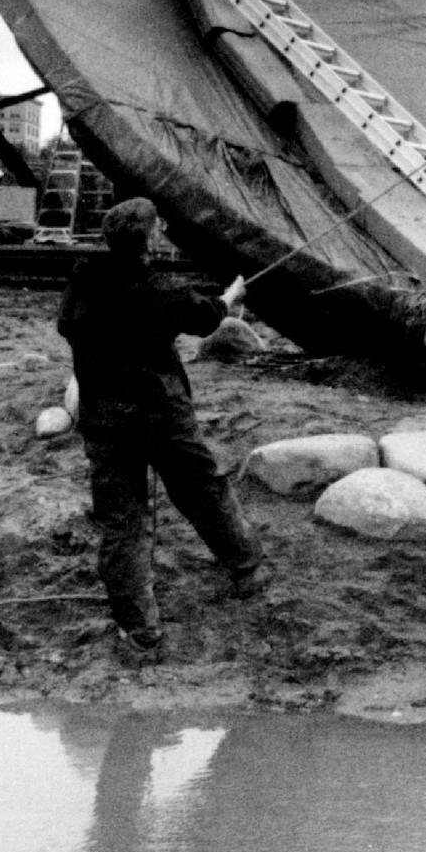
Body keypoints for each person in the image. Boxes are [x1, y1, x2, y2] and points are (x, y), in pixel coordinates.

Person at [57, 198, 269, 661]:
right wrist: (232, 294)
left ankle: (140, 632)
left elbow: (66, 324)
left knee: (122, 520)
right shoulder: (158, 290)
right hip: (161, 415)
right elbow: (207, 316)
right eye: (159, 229)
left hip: (104, 419)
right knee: (203, 491)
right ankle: (247, 569)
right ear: (149, 240)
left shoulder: (84, 280)